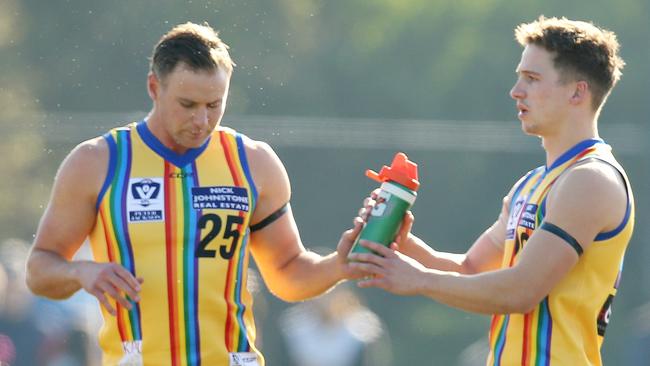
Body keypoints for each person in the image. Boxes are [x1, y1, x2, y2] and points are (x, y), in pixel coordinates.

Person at [25, 21, 367, 366]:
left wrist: (339, 265)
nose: (202, 120)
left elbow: (287, 273)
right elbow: (39, 269)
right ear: (154, 87)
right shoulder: (97, 162)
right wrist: (81, 272)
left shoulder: (254, 163)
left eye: (214, 105)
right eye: (187, 104)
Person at [348, 16, 633, 365]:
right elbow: (470, 270)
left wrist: (418, 279)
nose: (516, 91)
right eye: (519, 78)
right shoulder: (531, 184)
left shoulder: (591, 179)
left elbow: (520, 291)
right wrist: (402, 243)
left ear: (577, 91)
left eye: (531, 78)